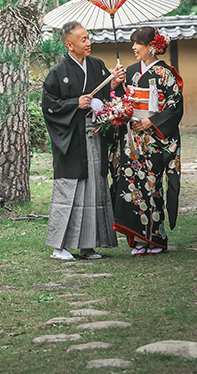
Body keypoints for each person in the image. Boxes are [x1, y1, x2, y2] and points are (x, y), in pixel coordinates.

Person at [42, 21, 125, 261]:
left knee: (94, 189)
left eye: (88, 38)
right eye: (83, 39)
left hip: (95, 135)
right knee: (70, 190)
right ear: (69, 45)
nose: (88, 42)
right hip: (72, 138)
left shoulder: (98, 65)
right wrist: (74, 103)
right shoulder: (58, 73)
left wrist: (115, 84)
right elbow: (49, 106)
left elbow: (107, 96)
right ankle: (60, 247)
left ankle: (88, 246)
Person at [110, 26, 183, 256]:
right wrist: (121, 106)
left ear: (151, 46)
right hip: (132, 138)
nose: (133, 48)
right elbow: (122, 101)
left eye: (137, 44)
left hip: (153, 138)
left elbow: (175, 105)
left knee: (152, 186)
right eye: (133, 44)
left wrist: (152, 123)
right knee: (132, 186)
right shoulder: (130, 71)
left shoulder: (165, 73)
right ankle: (139, 239)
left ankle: (156, 237)